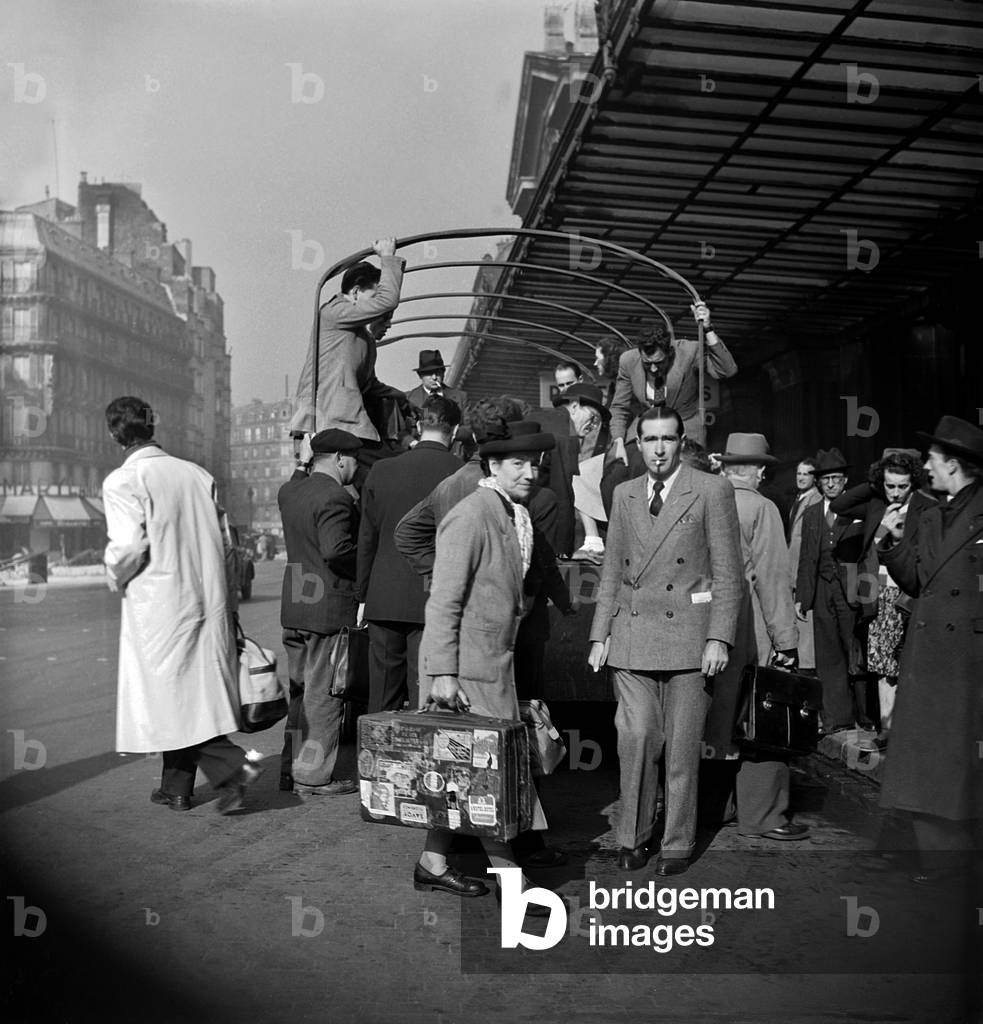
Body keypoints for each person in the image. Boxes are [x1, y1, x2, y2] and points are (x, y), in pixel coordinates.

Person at [587, 406, 743, 875]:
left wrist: (719, 637)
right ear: (637, 443)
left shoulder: (712, 489)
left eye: (668, 440)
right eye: (649, 440)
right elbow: (611, 571)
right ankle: (631, 835)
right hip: (632, 636)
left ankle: (676, 841)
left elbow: (728, 573)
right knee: (635, 739)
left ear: (680, 443)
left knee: (680, 747)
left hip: (690, 640)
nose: (658, 450)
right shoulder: (623, 493)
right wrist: (600, 634)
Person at [414, 424, 557, 905]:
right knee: (486, 777)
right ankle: (511, 883)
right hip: (466, 669)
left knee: (455, 774)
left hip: (490, 663)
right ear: (493, 467)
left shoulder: (509, 513)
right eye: (518, 463)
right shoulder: (471, 515)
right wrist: (442, 673)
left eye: (534, 463)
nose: (529, 472)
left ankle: (432, 862)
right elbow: (443, 600)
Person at [101, 396, 260, 814]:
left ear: (115, 433)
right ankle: (176, 787)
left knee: (169, 694)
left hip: (160, 603)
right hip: (207, 596)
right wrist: (228, 600)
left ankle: (232, 767)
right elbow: (228, 544)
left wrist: (112, 574)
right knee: (192, 691)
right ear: (153, 427)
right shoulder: (197, 474)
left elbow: (128, 547)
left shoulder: (123, 480)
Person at [876, 416, 983, 872]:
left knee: (960, 769)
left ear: (954, 465)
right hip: (931, 656)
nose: (928, 471)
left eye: (934, 462)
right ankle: (943, 864)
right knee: (929, 769)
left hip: (966, 662)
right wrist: (895, 543)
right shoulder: (936, 512)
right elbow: (920, 580)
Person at [703, 433, 809, 841]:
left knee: (712, 723)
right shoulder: (762, 508)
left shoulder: (701, 500)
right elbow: (773, 581)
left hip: (705, 633)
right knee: (760, 722)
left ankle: (713, 808)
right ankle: (763, 816)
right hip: (749, 635)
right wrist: (787, 641)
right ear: (759, 470)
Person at [357, 395, 462, 713]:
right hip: (435, 598)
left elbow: (367, 538)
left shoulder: (381, 470)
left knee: (382, 700)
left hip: (383, 597)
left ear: (418, 426)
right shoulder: (462, 474)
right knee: (427, 697)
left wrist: (363, 596)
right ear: (454, 431)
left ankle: (373, 762)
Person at [830, 449, 936, 744]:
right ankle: (887, 729)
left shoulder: (926, 507)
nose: (896, 493)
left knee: (909, 663)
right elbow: (840, 503)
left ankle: (911, 728)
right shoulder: (877, 503)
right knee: (881, 663)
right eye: (890, 485)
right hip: (879, 593)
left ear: (913, 482)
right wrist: (875, 483)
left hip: (910, 594)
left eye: (903, 486)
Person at [278, 428, 362, 796]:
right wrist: (367, 569)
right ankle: (312, 776)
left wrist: (302, 460)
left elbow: (296, 477)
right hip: (326, 610)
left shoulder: (290, 492)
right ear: (341, 458)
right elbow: (336, 549)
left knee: (299, 692)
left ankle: (290, 769)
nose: (357, 467)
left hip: (295, 607)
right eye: (355, 459)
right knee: (323, 695)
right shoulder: (336, 497)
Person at [290, 238, 413, 483]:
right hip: (329, 420)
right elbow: (387, 301)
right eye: (374, 295)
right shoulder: (333, 312)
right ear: (355, 292)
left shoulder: (362, 339)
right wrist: (387, 257)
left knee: (380, 474)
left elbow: (369, 384)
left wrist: (403, 397)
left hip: (348, 421)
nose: (378, 308)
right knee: (385, 472)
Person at [795, 448, 876, 739]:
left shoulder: (858, 510)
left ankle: (865, 717)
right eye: (826, 479)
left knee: (855, 653)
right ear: (819, 482)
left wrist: (868, 596)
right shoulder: (812, 513)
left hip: (851, 589)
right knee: (828, 655)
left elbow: (869, 553)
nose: (831, 484)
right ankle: (836, 718)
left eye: (836, 479)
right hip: (821, 589)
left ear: (845, 481)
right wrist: (803, 597)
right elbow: (807, 557)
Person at [608, 303, 736, 451]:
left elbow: (727, 370)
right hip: (646, 428)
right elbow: (619, 407)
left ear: (669, 352)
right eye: (647, 363)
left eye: (659, 362)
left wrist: (707, 328)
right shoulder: (628, 360)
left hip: (685, 430)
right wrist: (618, 441)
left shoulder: (689, 352)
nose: (654, 369)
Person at [553, 382, 611, 560]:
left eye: (597, 422)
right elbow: (563, 496)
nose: (593, 426)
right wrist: (565, 552)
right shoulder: (566, 439)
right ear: (574, 406)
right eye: (592, 417)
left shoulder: (546, 420)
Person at [787, 457, 822, 672]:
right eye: (799, 473)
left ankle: (808, 671)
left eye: (806, 474)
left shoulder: (815, 500)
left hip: (803, 573)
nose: (801, 477)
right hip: (791, 572)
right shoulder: (799, 499)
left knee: (806, 628)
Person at [403, 350, 467, 414]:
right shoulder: (408, 399)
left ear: (443, 373)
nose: (434, 377)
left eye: (438, 372)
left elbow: (468, 423)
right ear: (420, 375)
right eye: (429, 373)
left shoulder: (461, 397)